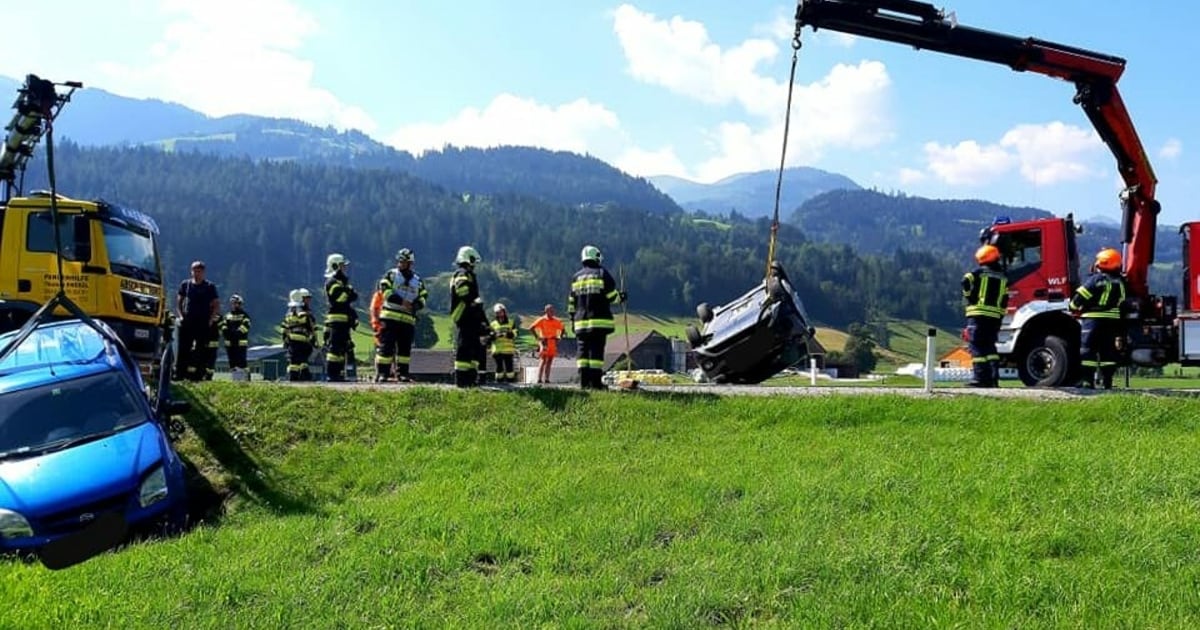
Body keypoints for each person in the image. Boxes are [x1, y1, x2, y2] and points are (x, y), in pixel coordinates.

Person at [568, 245, 626, 390]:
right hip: (598, 322)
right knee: (595, 353)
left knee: (582, 353)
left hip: (580, 323)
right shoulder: (601, 273)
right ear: (596, 256)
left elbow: (571, 303)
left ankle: (583, 382)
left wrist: (573, 320)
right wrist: (621, 297)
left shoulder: (576, 277)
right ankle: (595, 383)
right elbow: (611, 296)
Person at [1069, 248, 1128, 389]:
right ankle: (1108, 382)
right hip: (1112, 322)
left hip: (1092, 321)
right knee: (1108, 352)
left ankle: (1088, 381)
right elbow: (1122, 301)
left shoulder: (1094, 280)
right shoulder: (1120, 283)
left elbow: (1078, 299)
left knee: (1087, 350)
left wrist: (1073, 307)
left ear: (1102, 263)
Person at [376, 248, 428, 383]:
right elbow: (385, 291)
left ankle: (403, 374)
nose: (401, 264)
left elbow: (423, 296)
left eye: (405, 261)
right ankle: (383, 374)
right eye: (400, 261)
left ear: (411, 263)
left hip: (408, 320)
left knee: (405, 350)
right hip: (390, 317)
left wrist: (416, 306)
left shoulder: (418, 280)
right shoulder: (391, 275)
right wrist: (402, 302)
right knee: (386, 347)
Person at [961, 244, 1008, 388]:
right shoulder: (1003, 277)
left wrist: (969, 296)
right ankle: (993, 378)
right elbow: (1005, 299)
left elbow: (966, 281)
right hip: (994, 317)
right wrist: (999, 315)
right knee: (989, 347)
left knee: (976, 346)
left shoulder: (978, 273)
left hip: (978, 315)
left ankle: (980, 378)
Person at [449, 245, 489, 388]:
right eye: (473, 260)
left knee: (474, 347)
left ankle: (471, 378)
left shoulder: (469, 274)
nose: (474, 264)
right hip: (464, 314)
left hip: (472, 315)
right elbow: (462, 290)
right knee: (465, 346)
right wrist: (472, 302)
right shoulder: (461, 272)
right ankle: (461, 379)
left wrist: (484, 320)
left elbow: (475, 299)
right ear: (467, 258)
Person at [175, 260, 220, 382]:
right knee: (183, 348)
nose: (196, 273)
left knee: (201, 349)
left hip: (203, 322)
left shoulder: (210, 286)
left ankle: (198, 375)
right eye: (194, 271)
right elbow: (179, 301)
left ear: (203, 272)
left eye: (199, 271)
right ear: (191, 271)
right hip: (188, 321)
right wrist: (180, 316)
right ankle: (180, 374)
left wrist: (211, 320)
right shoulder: (185, 285)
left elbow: (216, 304)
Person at [323, 253, 359, 382]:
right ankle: (332, 374)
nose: (345, 268)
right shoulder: (332, 282)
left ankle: (338, 374)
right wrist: (348, 291)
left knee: (343, 348)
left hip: (344, 321)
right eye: (343, 265)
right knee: (335, 348)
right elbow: (341, 298)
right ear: (335, 266)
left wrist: (348, 292)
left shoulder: (342, 282)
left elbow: (353, 296)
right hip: (336, 321)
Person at [282, 288, 317, 381]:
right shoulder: (304, 312)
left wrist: (285, 340)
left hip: (298, 341)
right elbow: (311, 326)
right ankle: (300, 378)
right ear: (301, 298)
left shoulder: (290, 312)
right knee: (298, 362)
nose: (309, 300)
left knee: (300, 362)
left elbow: (285, 327)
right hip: (300, 341)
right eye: (307, 298)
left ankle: (301, 378)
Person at [529, 303, 566, 384]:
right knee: (543, 360)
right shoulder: (542, 319)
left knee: (550, 361)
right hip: (544, 342)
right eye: (550, 310)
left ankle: (547, 379)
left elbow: (563, 329)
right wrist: (537, 337)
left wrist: (560, 337)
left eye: (553, 310)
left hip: (552, 341)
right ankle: (539, 379)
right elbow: (531, 328)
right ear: (546, 311)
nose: (552, 312)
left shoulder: (556, 321)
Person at [221, 294, 252, 379]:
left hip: (240, 343)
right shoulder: (227, 316)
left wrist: (236, 334)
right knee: (232, 362)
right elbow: (223, 326)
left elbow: (246, 326)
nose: (235, 305)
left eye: (237, 303)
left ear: (240, 304)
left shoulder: (244, 315)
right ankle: (236, 380)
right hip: (230, 343)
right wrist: (226, 333)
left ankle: (246, 378)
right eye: (233, 303)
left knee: (241, 362)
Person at [490, 303, 517, 383]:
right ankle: (499, 382)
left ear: (504, 312)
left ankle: (511, 382)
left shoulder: (511, 322)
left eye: (501, 311)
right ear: (496, 314)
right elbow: (489, 336)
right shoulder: (493, 324)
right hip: (497, 350)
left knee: (509, 368)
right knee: (499, 367)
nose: (500, 313)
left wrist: (508, 334)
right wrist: (494, 336)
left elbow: (515, 333)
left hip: (508, 350)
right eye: (498, 312)